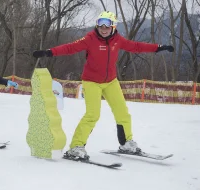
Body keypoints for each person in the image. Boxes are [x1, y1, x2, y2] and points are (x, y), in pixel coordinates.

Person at [32, 11, 174, 160]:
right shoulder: (90, 39)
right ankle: (76, 147)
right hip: (91, 81)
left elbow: (136, 46)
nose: (104, 28)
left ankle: (126, 143)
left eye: (107, 25)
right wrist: (49, 52)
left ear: (113, 26)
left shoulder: (117, 40)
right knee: (93, 115)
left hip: (111, 81)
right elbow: (70, 48)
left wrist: (159, 47)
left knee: (122, 113)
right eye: (101, 24)